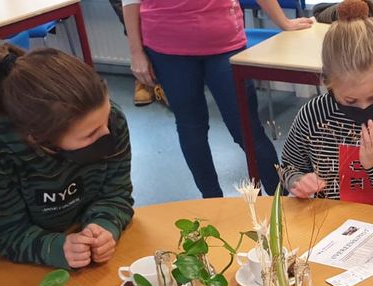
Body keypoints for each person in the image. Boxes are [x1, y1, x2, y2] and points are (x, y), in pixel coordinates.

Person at [0, 46, 133, 269]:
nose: (107, 132)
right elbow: (5, 234)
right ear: (39, 138)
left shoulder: (110, 120)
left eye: (106, 118)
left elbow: (116, 194)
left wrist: (104, 226)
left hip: (77, 229)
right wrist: (57, 248)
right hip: (13, 248)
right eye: (90, 134)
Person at [122, 0, 312, 197]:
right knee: (191, 128)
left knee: (247, 129)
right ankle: (212, 201)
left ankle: (279, 199)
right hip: (167, 45)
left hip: (223, 41)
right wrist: (136, 51)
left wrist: (283, 21)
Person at [279, 0, 373, 215]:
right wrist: (298, 181)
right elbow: (287, 167)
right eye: (350, 101)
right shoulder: (314, 115)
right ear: (329, 84)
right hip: (329, 224)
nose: (364, 109)